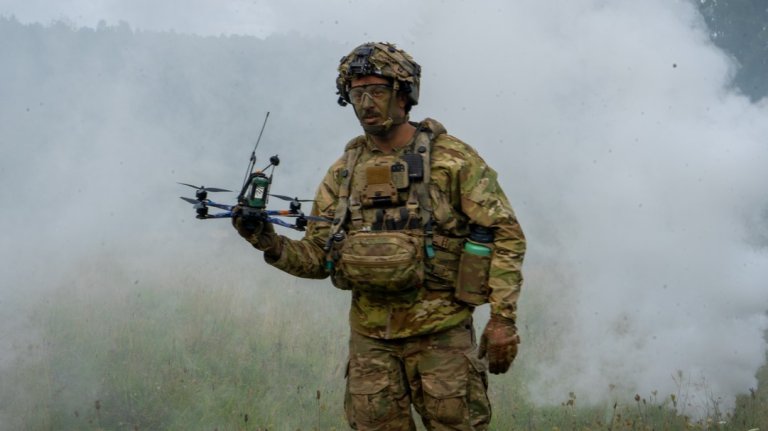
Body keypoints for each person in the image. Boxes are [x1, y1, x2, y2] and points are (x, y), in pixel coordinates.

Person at [232, 42, 526, 430]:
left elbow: (506, 233)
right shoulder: (344, 172)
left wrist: (502, 320)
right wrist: (266, 240)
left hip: (441, 340)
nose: (367, 103)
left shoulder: (451, 160)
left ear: (405, 95)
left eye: (378, 91)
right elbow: (319, 258)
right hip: (371, 344)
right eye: (357, 93)